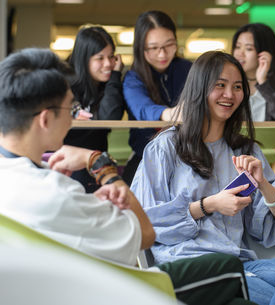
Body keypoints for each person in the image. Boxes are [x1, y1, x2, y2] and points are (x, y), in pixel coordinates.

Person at [0, 48, 257, 305]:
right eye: (72, 108)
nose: (74, 118)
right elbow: (145, 233)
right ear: (45, 119)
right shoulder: (58, 193)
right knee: (229, 268)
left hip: (54, 289)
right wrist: (100, 164)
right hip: (116, 292)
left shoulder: (12, 179)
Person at [131, 51, 275, 305]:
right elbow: (144, 221)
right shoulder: (165, 148)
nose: (230, 95)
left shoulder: (247, 151)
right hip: (191, 267)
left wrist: (265, 185)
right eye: (220, 85)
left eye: (237, 87)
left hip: (240, 264)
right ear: (200, 89)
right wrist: (209, 205)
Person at [122, 10, 192, 185]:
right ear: (141, 48)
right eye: (153, 48)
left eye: (169, 45)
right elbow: (143, 109)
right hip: (145, 158)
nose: (162, 54)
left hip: (188, 158)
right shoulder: (133, 78)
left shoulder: (189, 69)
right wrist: (171, 114)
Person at [64, 25, 125, 192]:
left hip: (96, 168)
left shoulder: (110, 85)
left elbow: (110, 118)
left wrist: (115, 76)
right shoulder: (63, 86)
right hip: (65, 168)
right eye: (100, 58)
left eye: (111, 57)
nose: (108, 64)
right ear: (84, 59)